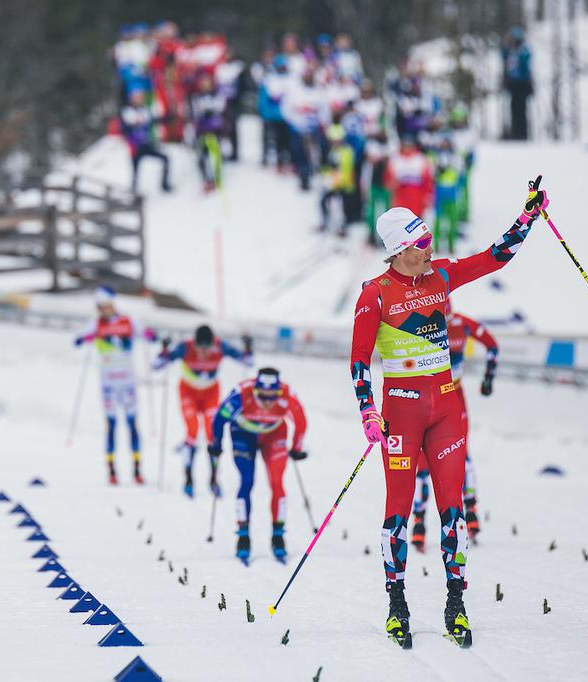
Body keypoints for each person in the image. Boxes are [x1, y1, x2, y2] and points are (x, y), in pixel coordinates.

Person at [350, 180, 549, 648]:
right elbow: (359, 361)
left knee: (452, 510)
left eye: (428, 238)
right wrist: (367, 411)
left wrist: (527, 218)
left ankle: (455, 602)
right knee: (398, 512)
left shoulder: (440, 275)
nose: (429, 246)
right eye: (420, 243)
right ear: (398, 250)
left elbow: (492, 257)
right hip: (400, 413)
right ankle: (397, 605)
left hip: (446, 410)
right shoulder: (374, 294)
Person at [410, 309, 498, 552]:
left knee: (438, 459)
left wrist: (489, 378)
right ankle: (466, 515)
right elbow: (493, 347)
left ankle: (425, 522)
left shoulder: (422, 320)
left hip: (438, 397)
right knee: (444, 457)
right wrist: (488, 378)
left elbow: (493, 346)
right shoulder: (460, 323)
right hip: (442, 396)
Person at [208, 368, 308, 564]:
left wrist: (296, 448)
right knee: (247, 481)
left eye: (273, 396)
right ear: (255, 390)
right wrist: (216, 444)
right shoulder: (241, 394)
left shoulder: (287, 395)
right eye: (263, 396)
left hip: (274, 433)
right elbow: (219, 418)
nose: (268, 401)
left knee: (277, 482)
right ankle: (243, 536)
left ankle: (278, 536)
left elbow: (301, 421)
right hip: (243, 434)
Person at [153, 325, 252, 497]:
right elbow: (157, 365)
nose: (204, 351)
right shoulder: (186, 347)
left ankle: (213, 479)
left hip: (210, 393)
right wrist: (164, 350)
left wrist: (248, 348)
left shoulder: (221, 346)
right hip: (188, 392)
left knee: (212, 433)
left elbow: (248, 361)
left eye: (207, 347)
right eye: (200, 347)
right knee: (192, 430)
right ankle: (188, 478)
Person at [73, 286, 157, 485]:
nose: (101, 311)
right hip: (108, 384)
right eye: (98, 307)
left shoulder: (128, 320)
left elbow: (150, 335)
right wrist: (86, 338)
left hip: (127, 382)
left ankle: (137, 469)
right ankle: (111, 470)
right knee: (111, 425)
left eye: (103, 307)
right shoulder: (95, 324)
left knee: (131, 423)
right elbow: (77, 339)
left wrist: (149, 335)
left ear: (111, 304)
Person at [120, 88, 172, 194]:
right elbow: (123, 129)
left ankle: (164, 185)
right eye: (136, 97)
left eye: (140, 97)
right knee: (135, 172)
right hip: (135, 148)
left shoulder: (145, 110)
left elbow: (154, 121)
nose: (138, 99)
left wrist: (166, 119)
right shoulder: (127, 112)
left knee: (165, 159)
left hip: (146, 145)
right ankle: (133, 193)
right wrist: (133, 125)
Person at [189, 72, 227, 192]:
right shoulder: (196, 96)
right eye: (203, 82)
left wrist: (209, 109)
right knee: (202, 155)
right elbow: (196, 111)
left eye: (207, 82)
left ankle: (217, 178)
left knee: (216, 154)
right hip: (202, 131)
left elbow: (220, 107)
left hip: (215, 130)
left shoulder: (217, 95)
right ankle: (206, 180)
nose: (205, 85)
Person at [319, 123, 357, 235]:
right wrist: (326, 178)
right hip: (332, 183)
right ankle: (326, 222)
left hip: (343, 185)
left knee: (340, 204)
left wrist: (337, 182)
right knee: (324, 201)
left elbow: (347, 170)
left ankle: (342, 226)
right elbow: (325, 167)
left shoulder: (346, 151)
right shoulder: (329, 151)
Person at [384, 135, 434, 218]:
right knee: (400, 221)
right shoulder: (395, 159)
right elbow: (388, 179)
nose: (407, 148)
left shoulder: (421, 159)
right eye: (405, 145)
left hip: (417, 196)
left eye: (409, 145)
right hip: (400, 196)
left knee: (416, 221)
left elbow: (427, 179)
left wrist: (427, 195)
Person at [501, 27, 533, 140]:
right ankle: (515, 132)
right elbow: (503, 56)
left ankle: (522, 134)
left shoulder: (523, 51)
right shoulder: (509, 51)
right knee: (513, 108)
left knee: (522, 109)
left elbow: (526, 65)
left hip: (522, 84)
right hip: (513, 85)